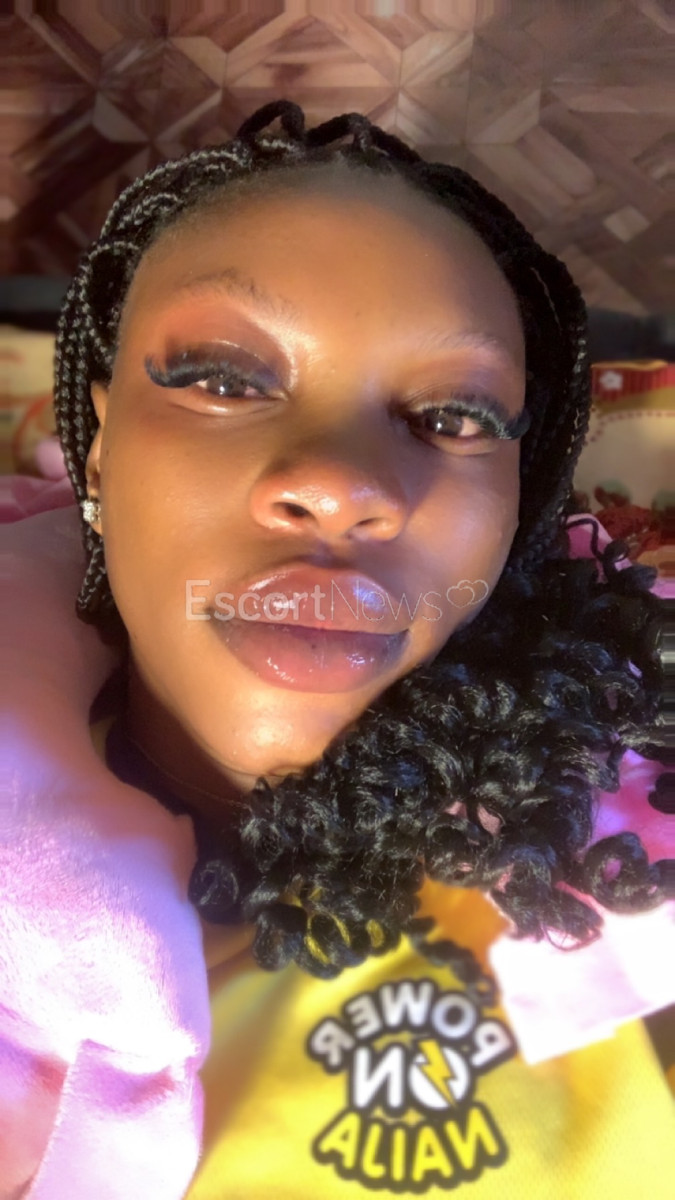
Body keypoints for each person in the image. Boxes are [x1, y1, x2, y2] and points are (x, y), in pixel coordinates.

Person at [2, 100, 673, 1198]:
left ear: (521, 504)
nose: (344, 485)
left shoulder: (635, 839)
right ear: (104, 443)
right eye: (226, 378)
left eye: (456, 415)